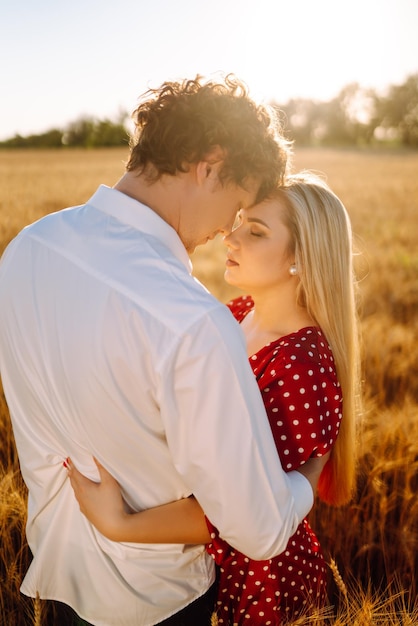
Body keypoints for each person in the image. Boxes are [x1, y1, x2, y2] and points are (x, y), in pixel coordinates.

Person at [0, 75, 325, 626]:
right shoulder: (192, 322)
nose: (228, 227)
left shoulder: (27, 249)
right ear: (209, 165)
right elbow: (260, 528)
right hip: (156, 602)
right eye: (238, 204)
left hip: (57, 575)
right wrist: (306, 481)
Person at [67, 172, 361, 625]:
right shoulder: (238, 314)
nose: (231, 236)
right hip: (197, 562)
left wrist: (119, 524)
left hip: (257, 579)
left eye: (256, 231)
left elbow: (244, 511)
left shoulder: (301, 368)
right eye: (239, 221)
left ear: (301, 257)